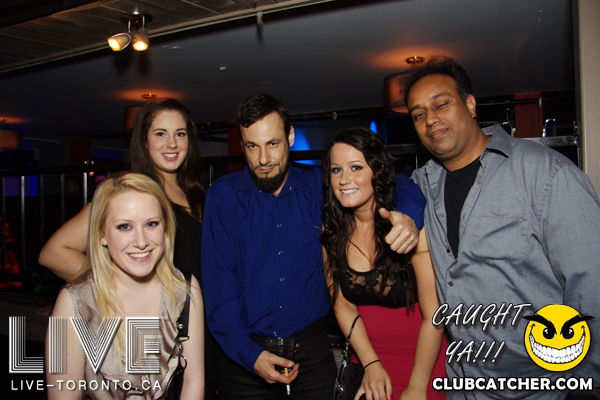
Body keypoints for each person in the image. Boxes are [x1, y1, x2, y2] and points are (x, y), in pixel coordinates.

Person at [201, 93, 427, 399]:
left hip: (311, 355)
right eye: (252, 146)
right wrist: (250, 355)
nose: (263, 159)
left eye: (272, 143)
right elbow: (219, 292)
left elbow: (395, 181)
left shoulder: (319, 186)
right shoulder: (224, 195)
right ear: (242, 145)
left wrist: (409, 216)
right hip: (244, 358)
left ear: (290, 137)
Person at [406, 57, 600, 399]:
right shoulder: (423, 185)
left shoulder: (545, 173)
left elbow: (591, 283)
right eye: (418, 114)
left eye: (441, 104)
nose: (430, 119)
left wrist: (586, 383)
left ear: (470, 104)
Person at [38, 98, 218, 398]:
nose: (172, 143)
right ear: (143, 141)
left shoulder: (198, 194)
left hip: (192, 322)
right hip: (150, 328)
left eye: (180, 133)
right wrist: (116, 288)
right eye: (160, 133)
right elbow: (53, 253)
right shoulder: (127, 194)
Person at [45, 172, 204, 399]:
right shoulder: (71, 304)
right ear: (101, 234)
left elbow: (193, 382)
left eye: (151, 224)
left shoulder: (185, 290)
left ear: (165, 227)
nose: (141, 242)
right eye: (124, 227)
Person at [321, 128, 446, 400]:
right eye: (336, 170)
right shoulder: (332, 231)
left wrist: (417, 387)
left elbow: (434, 316)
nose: (344, 179)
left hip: (424, 364)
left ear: (376, 171)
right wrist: (371, 364)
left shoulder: (406, 227)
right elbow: (342, 304)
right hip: (367, 363)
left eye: (355, 167)